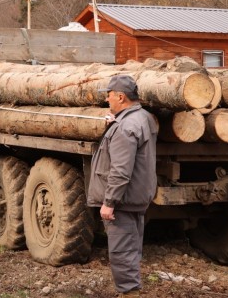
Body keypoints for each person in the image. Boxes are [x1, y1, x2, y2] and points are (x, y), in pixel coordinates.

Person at [87, 75, 157, 297]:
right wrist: (113, 125)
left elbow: (120, 170)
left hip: (123, 202)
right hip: (135, 198)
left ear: (121, 96)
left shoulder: (126, 127)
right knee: (131, 249)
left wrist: (109, 202)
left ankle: (129, 294)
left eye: (109, 96)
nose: (107, 100)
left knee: (121, 251)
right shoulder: (142, 117)